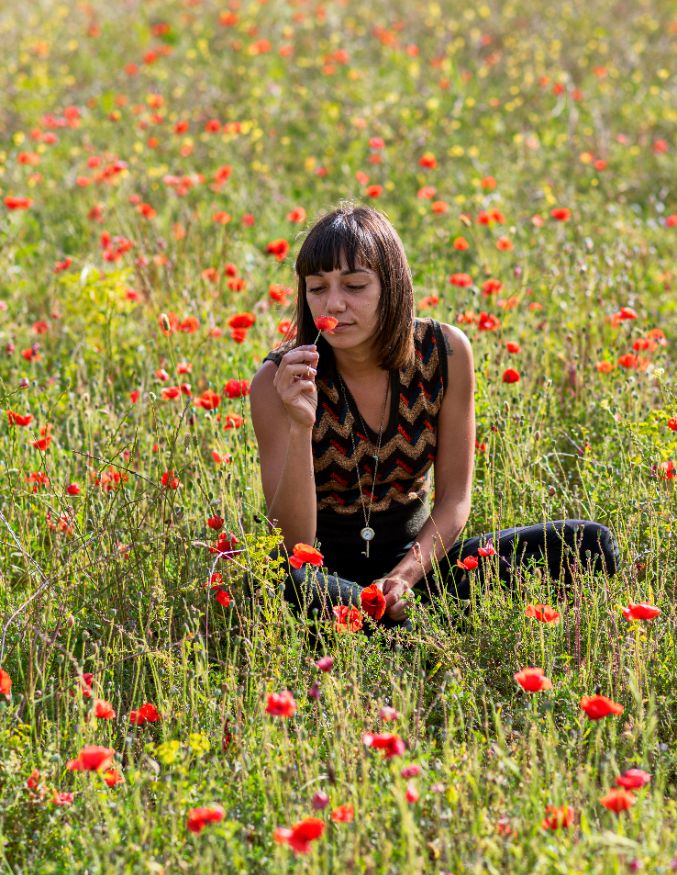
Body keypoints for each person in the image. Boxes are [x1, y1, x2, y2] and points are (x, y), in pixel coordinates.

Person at [249, 204, 619, 628]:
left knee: (587, 544)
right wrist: (300, 425)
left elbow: (455, 499)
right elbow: (294, 541)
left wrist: (403, 578)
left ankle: (397, 625)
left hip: (420, 566)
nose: (334, 303)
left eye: (354, 285)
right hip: (324, 574)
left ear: (391, 285)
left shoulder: (445, 352)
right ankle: (412, 629)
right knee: (286, 584)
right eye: (317, 288)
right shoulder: (281, 379)